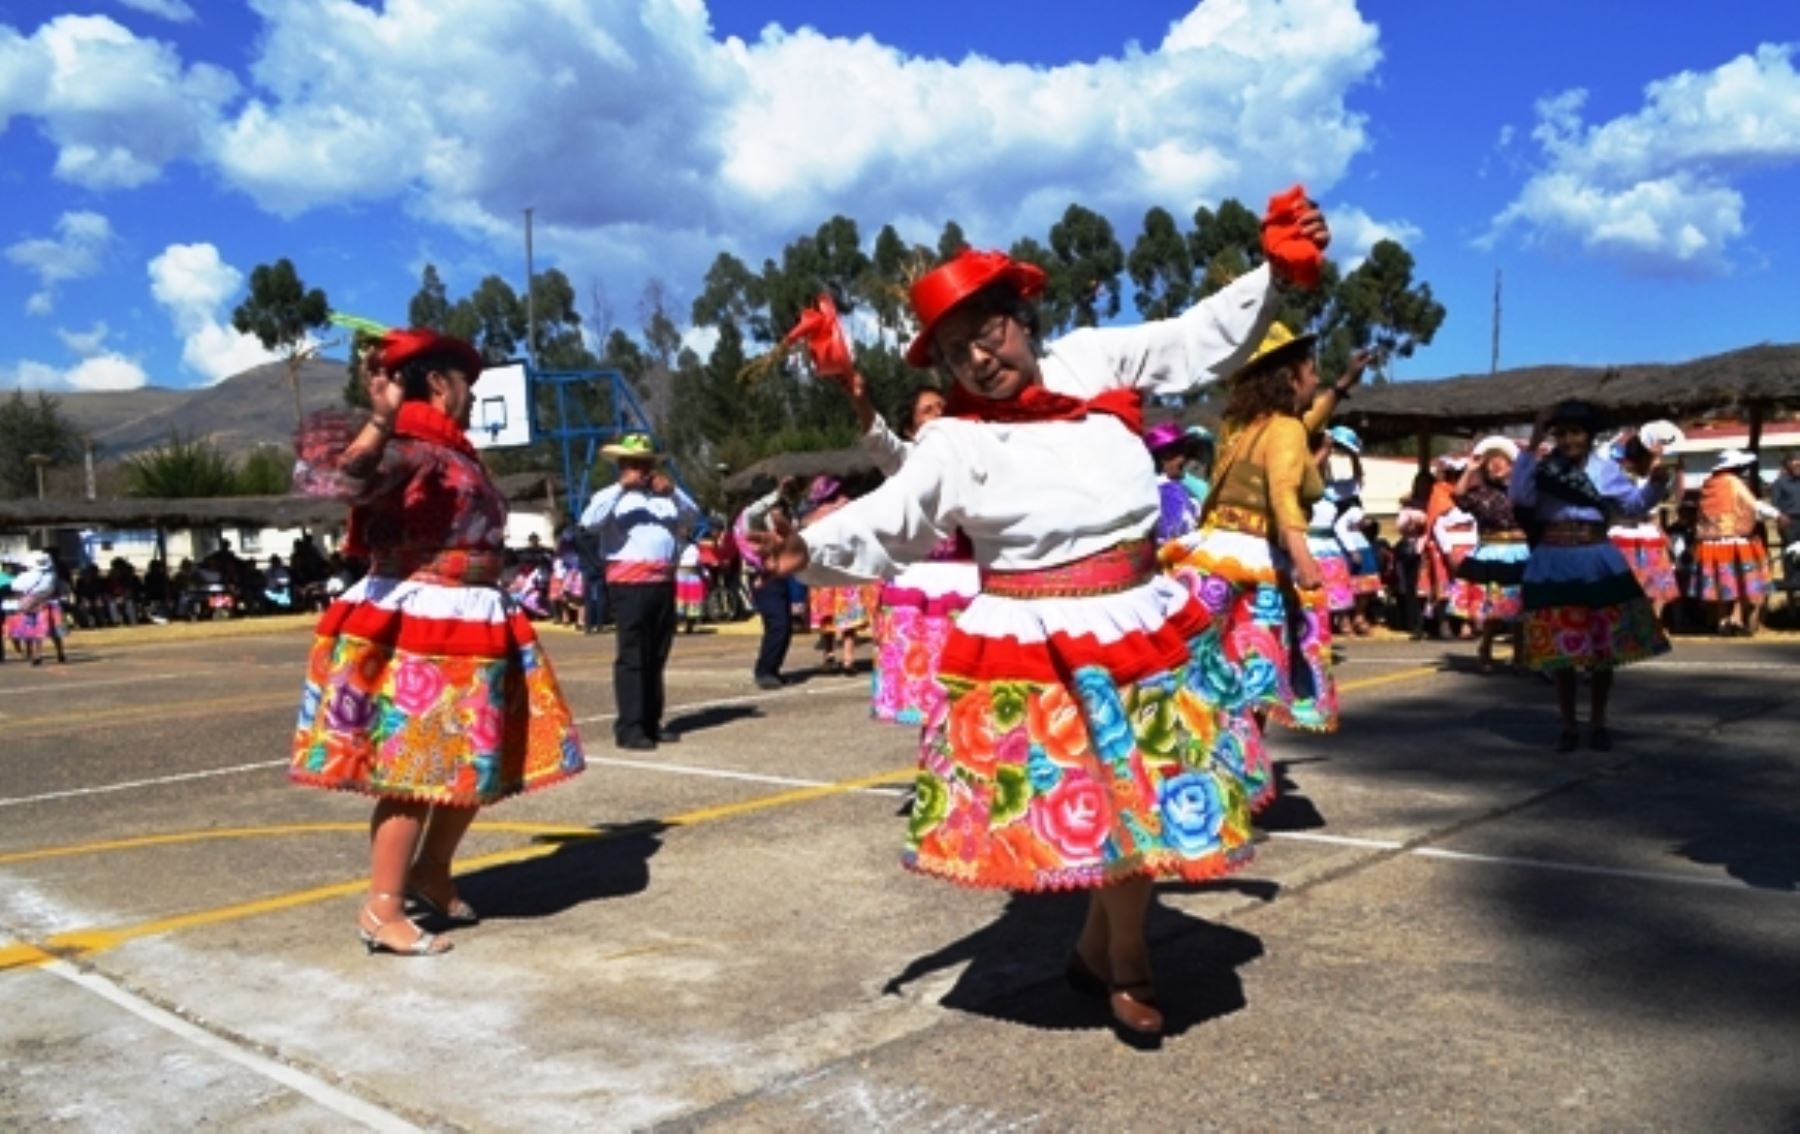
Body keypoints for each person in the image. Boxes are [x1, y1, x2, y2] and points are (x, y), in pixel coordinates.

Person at [748, 196, 1328, 1041]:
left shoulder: (1092, 359)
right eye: (955, 352)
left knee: (1143, 802)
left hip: (1137, 618)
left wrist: (1272, 276)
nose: (978, 359)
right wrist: (806, 547)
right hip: (1036, 640)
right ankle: (1126, 962)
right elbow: (897, 514)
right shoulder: (957, 442)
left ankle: (1106, 953)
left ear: (1023, 321)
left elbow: (1192, 337)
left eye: (988, 333)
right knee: (1106, 806)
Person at [290, 327, 585, 956]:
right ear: (436, 384)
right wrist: (378, 419)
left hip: (473, 620)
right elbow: (338, 484)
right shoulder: (413, 450)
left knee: (474, 765)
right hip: (425, 627)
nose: (474, 399)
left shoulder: (455, 454)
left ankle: (431, 871)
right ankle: (382, 907)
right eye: (467, 386)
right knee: (414, 771)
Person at [1162, 328, 1364, 735]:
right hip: (1257, 566)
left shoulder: (1245, 426)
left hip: (1211, 558)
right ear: (1290, 379)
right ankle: (1236, 779)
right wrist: (1303, 556)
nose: (1316, 381)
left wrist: (1341, 387)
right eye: (1312, 373)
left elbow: (1306, 422)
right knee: (1251, 691)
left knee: (1203, 685)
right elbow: (1284, 492)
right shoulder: (1285, 429)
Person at [1510, 401, 1672, 751]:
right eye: (1562, 433)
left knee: (1603, 648)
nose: (1569, 440)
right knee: (1561, 650)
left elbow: (1633, 506)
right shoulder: (1543, 468)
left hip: (1596, 559)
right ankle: (1568, 725)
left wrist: (1656, 485)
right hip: (1554, 560)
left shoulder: (1606, 471)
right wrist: (1536, 437)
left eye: (1576, 433)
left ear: (1589, 436)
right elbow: (1520, 496)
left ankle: (1598, 722)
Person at [845, 381, 978, 726]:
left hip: (970, 585)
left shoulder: (975, 458)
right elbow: (880, 443)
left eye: (942, 408)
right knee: (930, 701)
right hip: (921, 587)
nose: (938, 415)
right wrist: (861, 402)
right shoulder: (909, 461)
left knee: (974, 698)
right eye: (927, 410)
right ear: (910, 428)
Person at [580, 433, 701, 749]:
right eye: (636, 465)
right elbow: (589, 521)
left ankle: (651, 721)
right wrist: (623, 486)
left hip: (662, 582)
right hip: (628, 585)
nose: (643, 471)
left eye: (646, 465)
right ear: (623, 466)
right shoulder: (613, 497)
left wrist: (673, 492)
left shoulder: (665, 498)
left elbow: (693, 516)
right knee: (633, 655)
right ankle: (630, 727)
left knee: (656, 655)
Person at [1451, 436, 1528, 672]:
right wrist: (1469, 469)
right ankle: (1485, 649)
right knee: (1492, 608)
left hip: (1521, 552)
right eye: (1490, 461)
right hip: (1491, 551)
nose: (1495, 465)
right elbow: (1458, 497)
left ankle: (1520, 653)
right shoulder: (1480, 493)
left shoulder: (1522, 491)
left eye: (1500, 460)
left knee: (1521, 607)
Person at [1689, 449, 1776, 635]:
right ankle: (1736, 619)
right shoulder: (1733, 482)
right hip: (1734, 539)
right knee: (1740, 580)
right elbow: (1752, 504)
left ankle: (1722, 619)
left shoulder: (1709, 483)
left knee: (1722, 581)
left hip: (1710, 542)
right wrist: (1777, 514)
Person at [1606, 422, 1684, 624]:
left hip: (1639, 536)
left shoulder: (1625, 476)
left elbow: (1651, 512)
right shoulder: (1620, 477)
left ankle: (1650, 623)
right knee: (1643, 585)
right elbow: (1640, 506)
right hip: (1625, 536)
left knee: (1654, 585)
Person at [735, 475, 806, 689]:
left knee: (782, 625)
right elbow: (753, 512)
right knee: (779, 624)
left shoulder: (782, 514)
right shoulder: (752, 518)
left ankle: (771, 668)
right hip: (762, 576)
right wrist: (777, 495)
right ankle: (764, 670)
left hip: (782, 574)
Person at [1323, 424, 1379, 635]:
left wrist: (1354, 454)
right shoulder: (1325, 491)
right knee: (1342, 583)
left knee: (1366, 581)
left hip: (1360, 541)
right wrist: (1325, 451)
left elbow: (1357, 477)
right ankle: (1343, 619)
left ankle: (1359, 615)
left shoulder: (1349, 488)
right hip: (1339, 542)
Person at [675, 537, 706, 633]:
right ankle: (680, 624)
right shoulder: (676, 545)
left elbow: (700, 561)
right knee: (680, 602)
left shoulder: (695, 546)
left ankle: (690, 625)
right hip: (681, 575)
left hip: (693, 575)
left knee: (693, 602)